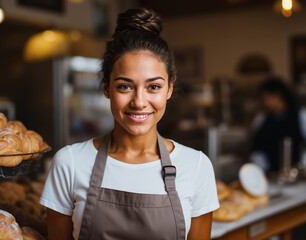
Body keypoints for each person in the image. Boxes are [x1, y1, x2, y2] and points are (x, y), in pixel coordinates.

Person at [40, 8, 219, 240]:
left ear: (169, 88)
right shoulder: (70, 163)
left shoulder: (196, 166)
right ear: (106, 88)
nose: (139, 102)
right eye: (125, 86)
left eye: (153, 87)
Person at [250, 76, 306, 173]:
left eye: (267, 98)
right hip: (271, 176)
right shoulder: (261, 118)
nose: (265, 102)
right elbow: (257, 149)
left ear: (279, 96)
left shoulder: (302, 115)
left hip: (299, 175)